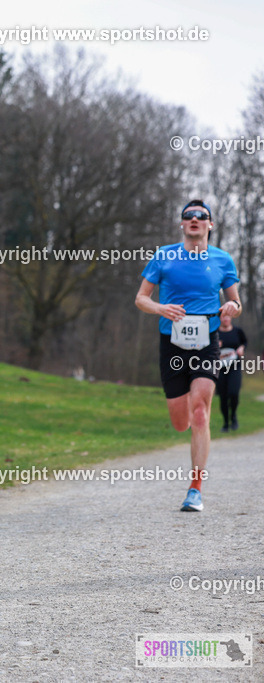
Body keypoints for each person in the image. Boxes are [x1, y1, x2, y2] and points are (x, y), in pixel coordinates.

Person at [135, 199, 241, 512]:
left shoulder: (223, 260)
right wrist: (160, 308)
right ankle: (186, 435)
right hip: (172, 343)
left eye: (201, 216)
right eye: (188, 216)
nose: (194, 219)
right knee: (181, 421)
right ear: (182, 224)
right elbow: (141, 298)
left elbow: (236, 301)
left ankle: (195, 488)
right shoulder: (164, 256)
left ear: (210, 224)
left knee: (200, 412)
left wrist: (232, 306)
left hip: (208, 342)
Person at [217, 314, 248, 432]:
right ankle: (225, 423)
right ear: (220, 319)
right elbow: (207, 348)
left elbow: (244, 342)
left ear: (231, 318)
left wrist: (242, 348)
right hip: (220, 369)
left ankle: (233, 416)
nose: (226, 319)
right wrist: (215, 346)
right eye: (223, 317)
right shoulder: (215, 333)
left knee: (233, 393)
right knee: (223, 396)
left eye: (228, 317)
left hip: (235, 367)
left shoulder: (238, 331)